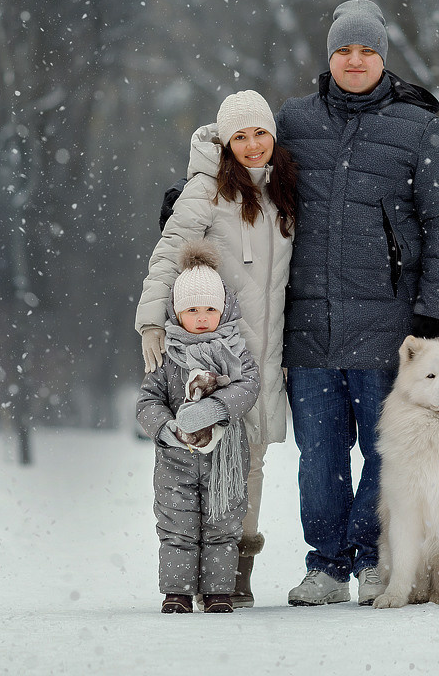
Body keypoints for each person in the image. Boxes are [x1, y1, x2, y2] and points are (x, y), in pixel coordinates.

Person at [275, 0, 439, 606]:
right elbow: (244, 178)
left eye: (367, 50)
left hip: (390, 328)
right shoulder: (294, 122)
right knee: (319, 456)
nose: (355, 60)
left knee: (390, 451)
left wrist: (433, 309)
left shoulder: (418, 127)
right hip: (308, 324)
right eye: (344, 49)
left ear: (383, 57)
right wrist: (194, 195)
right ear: (329, 55)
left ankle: (376, 555)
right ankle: (326, 567)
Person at [135, 89, 297, 607]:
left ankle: (234, 574)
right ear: (226, 143)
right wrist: (151, 322)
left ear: (273, 135)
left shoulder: (284, 189)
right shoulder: (206, 189)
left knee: (251, 461)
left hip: (266, 352)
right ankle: (188, 575)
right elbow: (168, 254)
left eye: (260, 133)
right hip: (211, 349)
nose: (252, 145)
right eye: (240, 137)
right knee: (203, 458)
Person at [136, 241, 260, 613]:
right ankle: (177, 592)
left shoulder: (235, 352)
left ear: (224, 309)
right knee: (178, 525)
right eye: (192, 310)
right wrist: (166, 427)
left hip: (225, 460)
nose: (203, 317)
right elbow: (147, 402)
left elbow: (248, 386)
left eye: (210, 308)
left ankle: (218, 592)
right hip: (176, 460)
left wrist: (216, 409)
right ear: (177, 312)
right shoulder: (167, 355)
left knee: (222, 524)